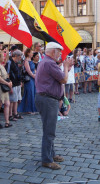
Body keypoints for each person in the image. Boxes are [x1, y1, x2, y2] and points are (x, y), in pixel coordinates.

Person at [35, 42, 74, 170]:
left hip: (47, 99)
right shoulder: (50, 63)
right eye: (59, 52)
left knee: (49, 129)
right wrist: (66, 68)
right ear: (53, 52)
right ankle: (47, 159)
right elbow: (63, 79)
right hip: (48, 100)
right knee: (49, 131)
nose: (61, 54)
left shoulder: (46, 62)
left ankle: (51, 154)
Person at [6, 50, 23, 121]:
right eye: (19, 57)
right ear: (15, 56)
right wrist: (10, 84)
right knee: (12, 100)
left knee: (16, 100)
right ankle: (10, 115)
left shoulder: (16, 63)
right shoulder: (10, 62)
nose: (20, 58)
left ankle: (15, 113)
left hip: (17, 83)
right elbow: (8, 74)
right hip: (12, 83)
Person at [18, 48, 37, 114]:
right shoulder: (26, 61)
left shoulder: (30, 60)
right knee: (29, 93)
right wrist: (33, 75)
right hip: (29, 78)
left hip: (33, 78)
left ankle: (32, 108)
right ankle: (28, 109)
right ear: (28, 53)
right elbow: (28, 70)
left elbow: (34, 69)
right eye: (31, 53)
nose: (32, 54)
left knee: (33, 93)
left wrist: (35, 74)